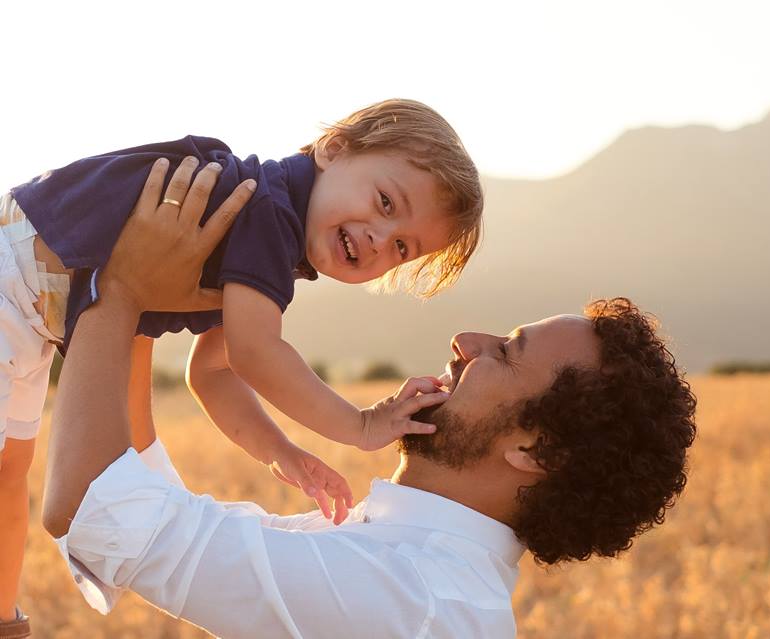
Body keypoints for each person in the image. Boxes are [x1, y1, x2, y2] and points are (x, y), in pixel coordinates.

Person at [40, 166, 696, 639]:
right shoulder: (408, 563)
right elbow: (151, 511)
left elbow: (96, 508)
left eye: (507, 351)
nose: (465, 340)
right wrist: (145, 304)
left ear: (534, 447)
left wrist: (121, 282)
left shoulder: (415, 602)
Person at [0, 100, 482, 629]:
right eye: (386, 202)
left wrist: (282, 452)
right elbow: (255, 353)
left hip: (29, 314)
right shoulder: (266, 212)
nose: (377, 238)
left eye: (402, 247)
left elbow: (214, 371)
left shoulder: (268, 229)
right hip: (14, 284)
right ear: (334, 148)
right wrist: (361, 425)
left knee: (9, 471)